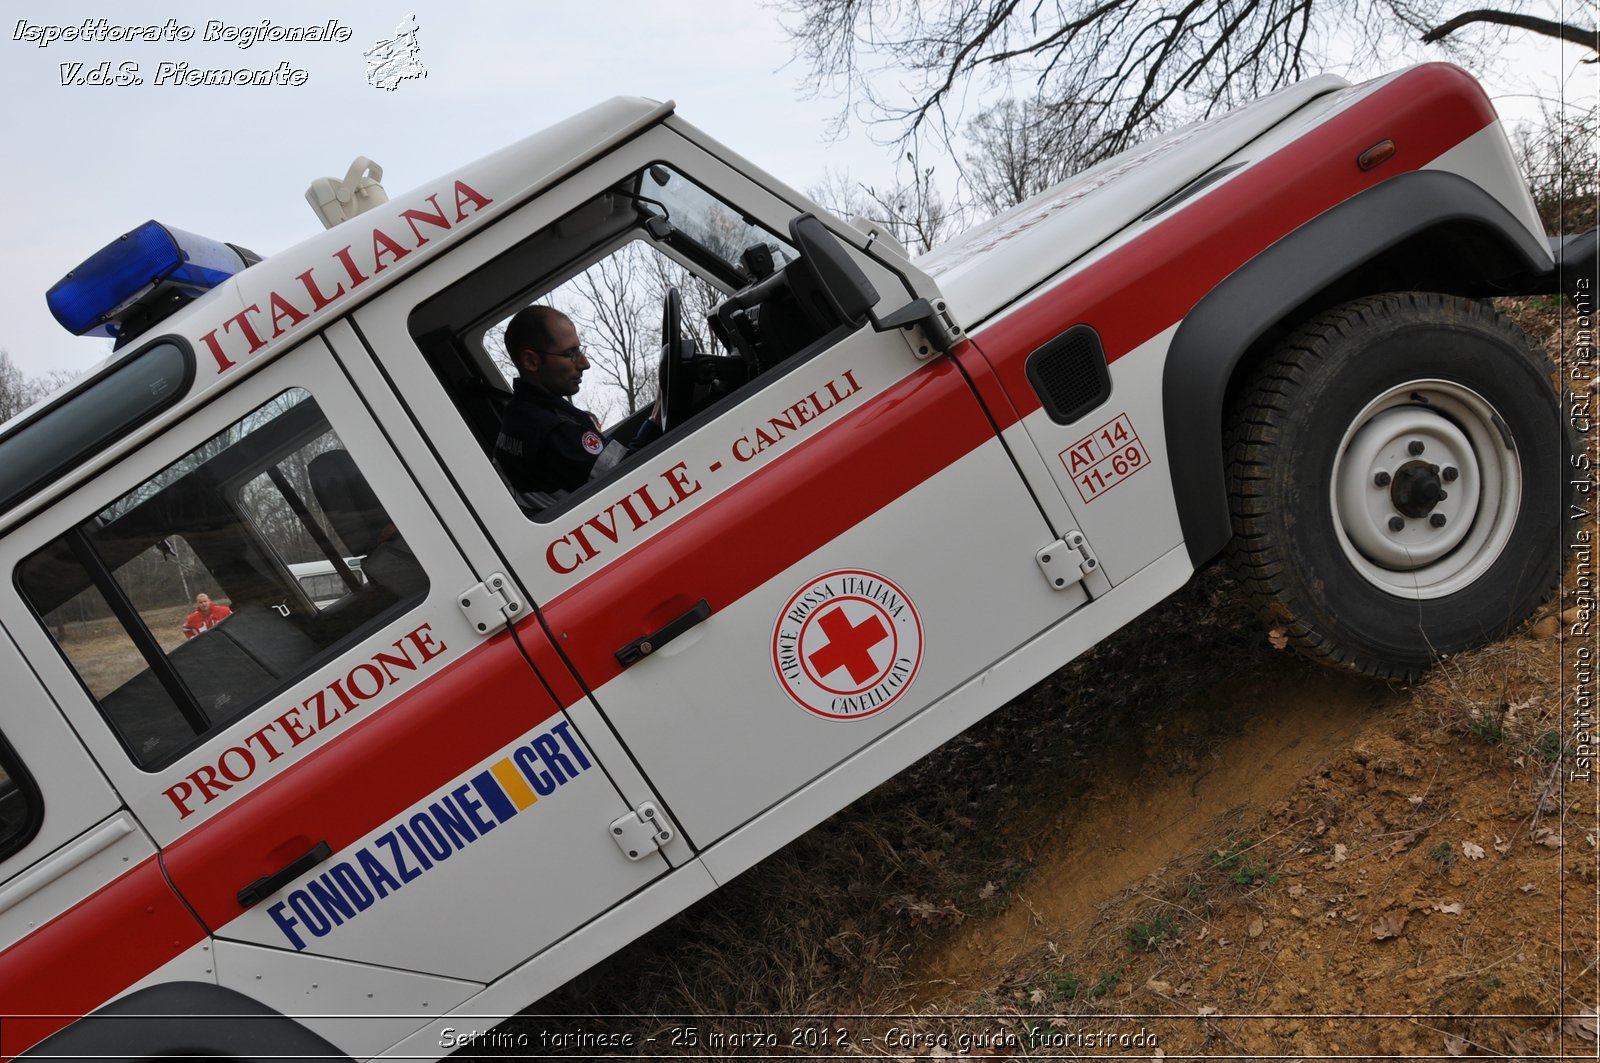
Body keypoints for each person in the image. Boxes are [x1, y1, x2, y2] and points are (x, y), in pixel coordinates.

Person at [495, 305, 661, 495]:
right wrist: (655, 420)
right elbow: (633, 476)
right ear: (531, 361)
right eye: (570, 354)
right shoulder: (554, 430)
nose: (585, 363)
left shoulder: (519, 413)